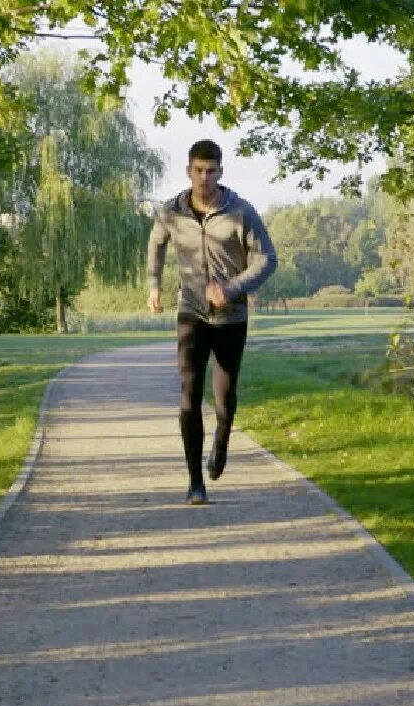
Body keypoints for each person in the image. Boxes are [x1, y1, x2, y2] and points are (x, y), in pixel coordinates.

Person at [146, 139, 277, 505]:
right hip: (191, 312)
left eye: (212, 171)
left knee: (225, 397)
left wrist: (233, 289)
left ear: (221, 171)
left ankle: (222, 438)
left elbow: (267, 259)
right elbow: (156, 243)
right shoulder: (171, 211)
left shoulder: (241, 212)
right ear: (188, 171)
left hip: (231, 317)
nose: (205, 177)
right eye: (198, 170)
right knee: (189, 393)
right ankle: (194, 483)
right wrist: (154, 284)